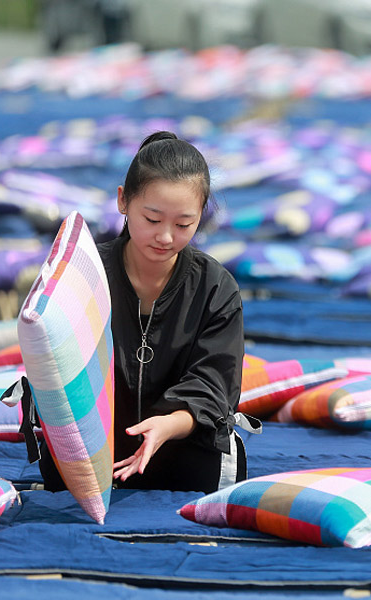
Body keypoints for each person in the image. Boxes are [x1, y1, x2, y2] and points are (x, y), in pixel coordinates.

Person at [39, 130, 257, 493]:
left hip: (181, 450)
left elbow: (215, 383)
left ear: (202, 215)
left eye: (183, 224)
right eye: (153, 219)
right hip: (91, 455)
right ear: (123, 201)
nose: (166, 237)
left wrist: (167, 425)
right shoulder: (83, 275)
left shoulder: (216, 288)